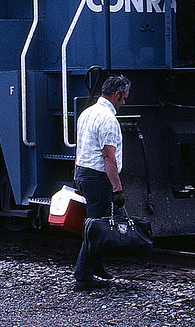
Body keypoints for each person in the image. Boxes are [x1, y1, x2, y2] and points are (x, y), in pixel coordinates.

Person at [72, 75, 130, 291]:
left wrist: (77, 172)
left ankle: (97, 266)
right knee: (95, 228)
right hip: (98, 178)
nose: (124, 102)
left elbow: (81, 147)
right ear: (116, 95)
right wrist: (117, 188)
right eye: (123, 98)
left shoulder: (87, 113)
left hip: (84, 173)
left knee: (97, 225)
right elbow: (108, 157)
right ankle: (82, 276)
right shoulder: (108, 119)